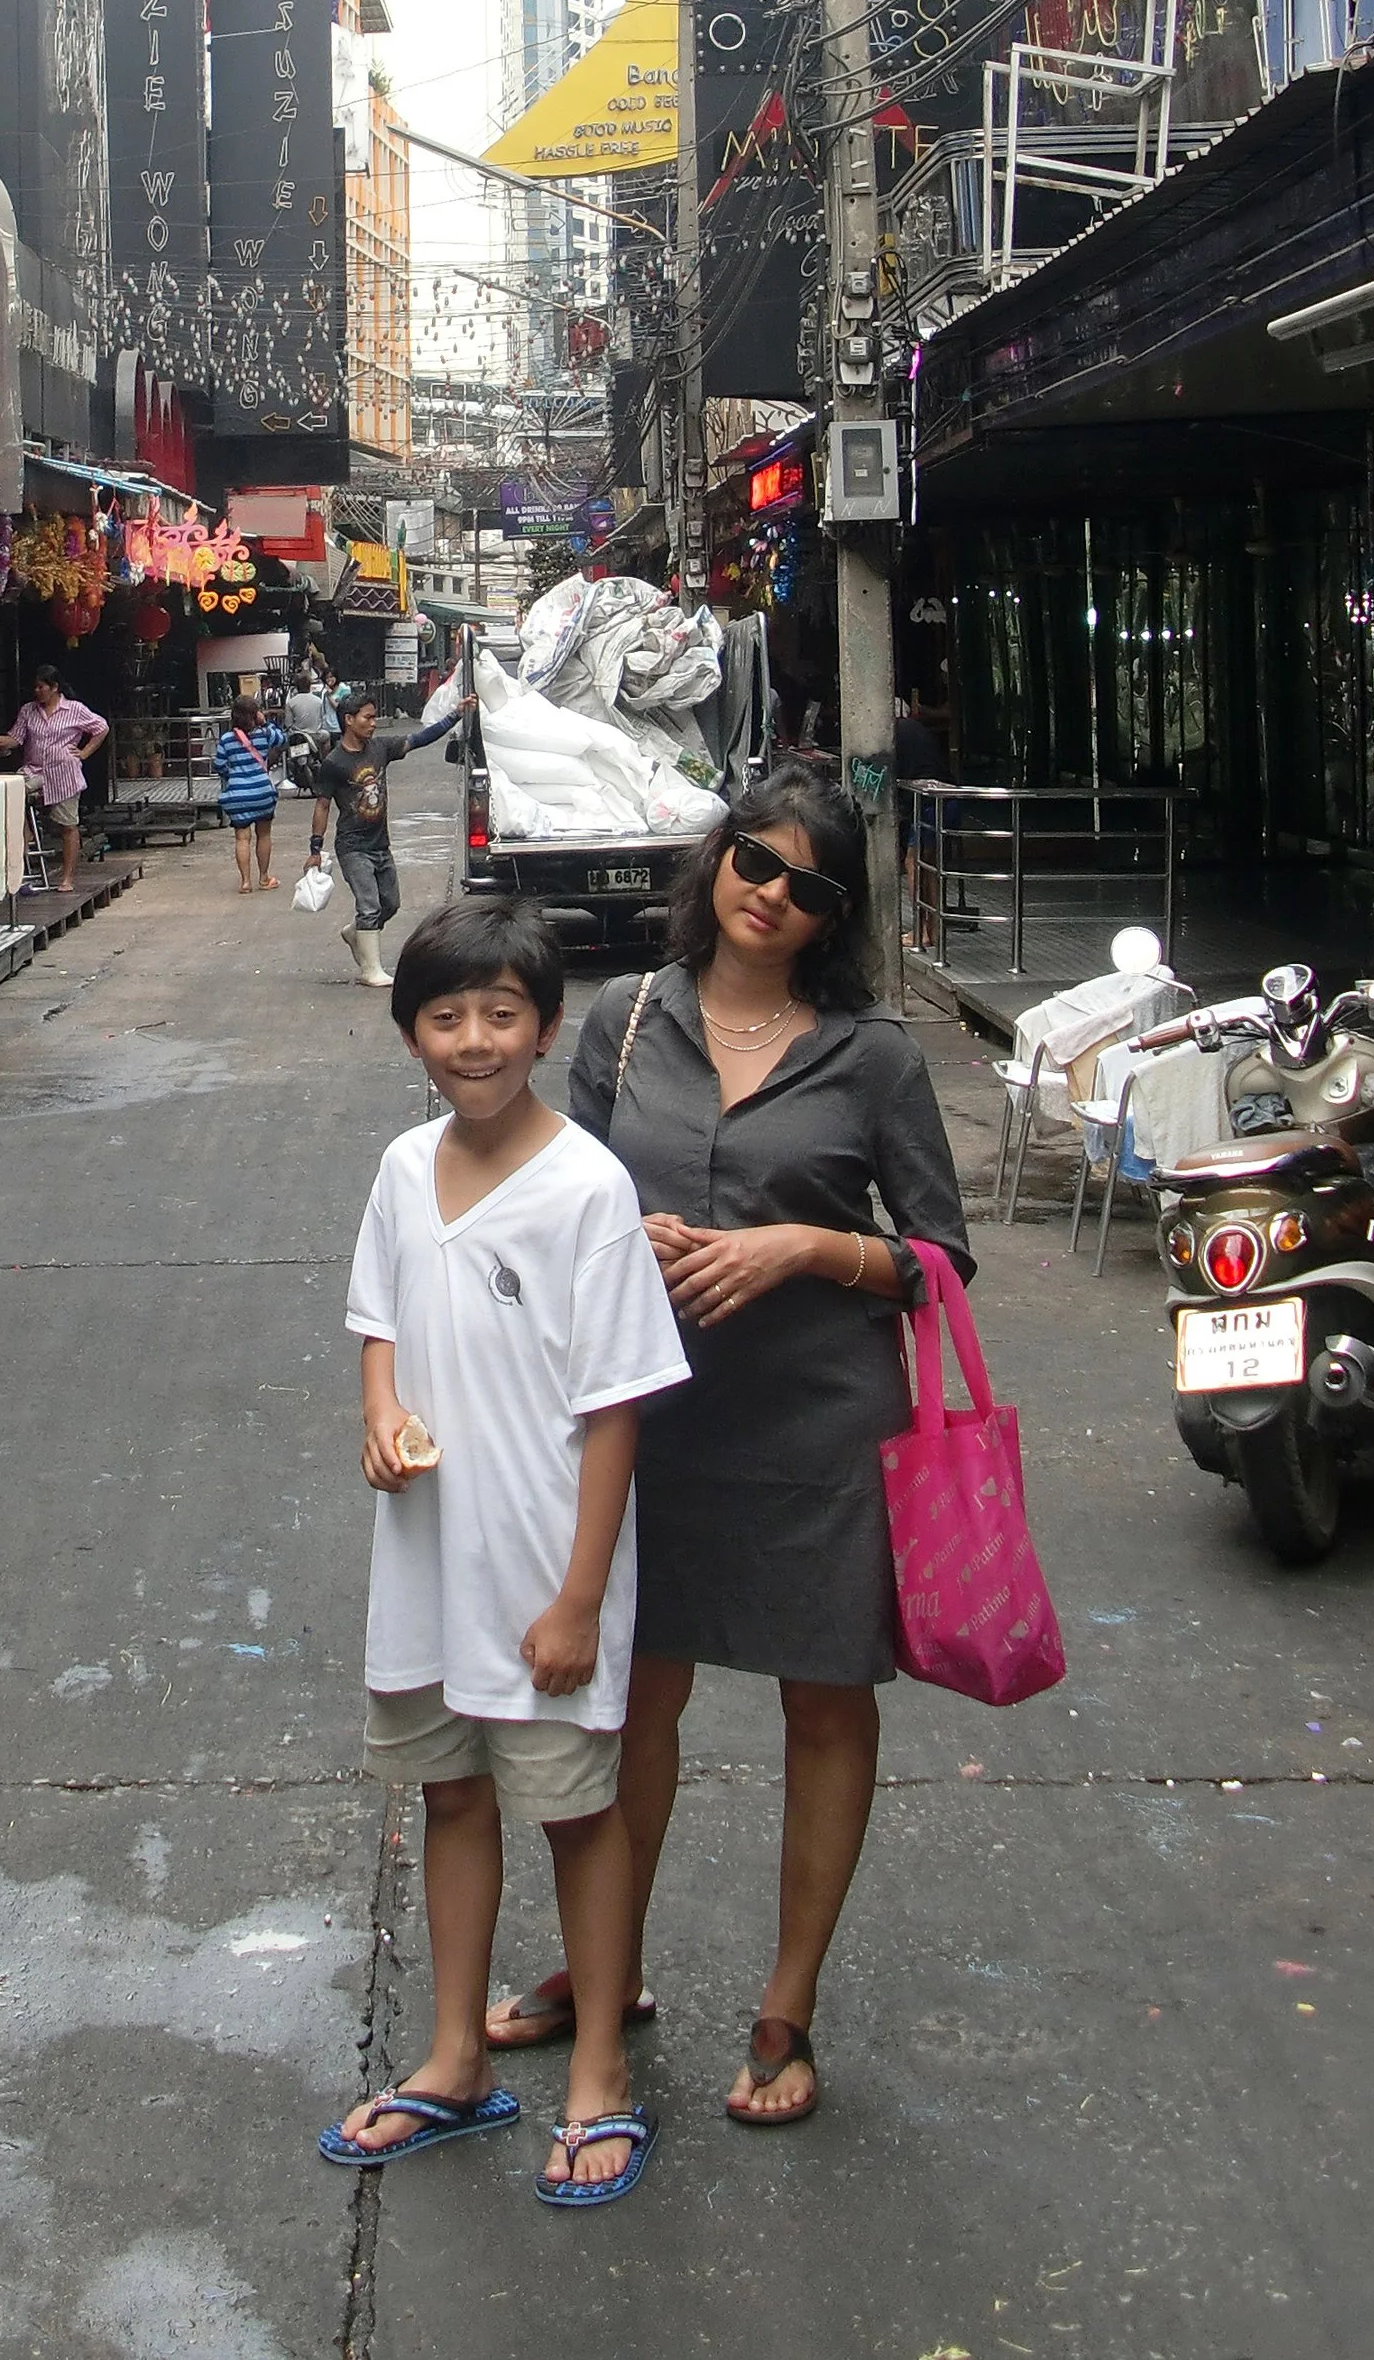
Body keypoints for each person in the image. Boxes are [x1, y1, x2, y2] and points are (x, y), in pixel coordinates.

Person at [490, 765, 971, 2127]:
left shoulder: (872, 1053)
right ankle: (606, 1970)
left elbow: (943, 1259)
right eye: (757, 861)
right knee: (634, 1700)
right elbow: (540, 1190)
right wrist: (610, 1234)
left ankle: (786, 2005)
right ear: (716, 859)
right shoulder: (630, 1021)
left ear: (837, 914)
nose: (773, 896)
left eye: (810, 885)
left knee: (825, 1700)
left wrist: (813, 1248)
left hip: (821, 1427)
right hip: (647, 1426)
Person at [317, 901, 688, 2207]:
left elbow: (618, 1404)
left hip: (543, 1573)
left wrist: (582, 1598)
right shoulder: (402, 1169)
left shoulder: (588, 1185)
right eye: (445, 1016)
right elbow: (379, 1320)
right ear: (411, 1031)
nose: (474, 1040)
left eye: (501, 1015)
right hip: (426, 1564)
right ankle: (457, 2054)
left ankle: (597, 2069)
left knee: (577, 1814)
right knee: (450, 1799)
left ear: (542, 1027)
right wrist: (380, 1416)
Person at [311, 689, 469, 989]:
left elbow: (419, 739)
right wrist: (315, 848)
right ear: (348, 720)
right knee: (369, 905)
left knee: (390, 903)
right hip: (352, 846)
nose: (373, 723)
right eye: (367, 717)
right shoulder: (334, 762)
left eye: (373, 717)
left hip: (380, 844)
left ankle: (355, 932)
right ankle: (370, 970)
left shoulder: (379, 748)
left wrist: (455, 715)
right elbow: (322, 805)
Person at [0, 665, 109, 893]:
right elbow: (15, 739)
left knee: (68, 825)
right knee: (10, 792)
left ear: (54, 688)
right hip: (34, 769)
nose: (37, 691)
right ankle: (25, 835)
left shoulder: (74, 709)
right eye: (35, 687)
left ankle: (67, 878)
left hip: (64, 772)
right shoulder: (28, 711)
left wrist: (84, 752)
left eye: (41, 687)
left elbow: (101, 727)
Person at [214, 695, 282, 894]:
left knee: (242, 839)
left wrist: (233, 777)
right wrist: (266, 722)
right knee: (264, 834)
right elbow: (282, 739)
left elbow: (218, 765)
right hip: (262, 792)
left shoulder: (227, 739)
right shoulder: (263, 734)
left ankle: (245, 882)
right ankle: (263, 878)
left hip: (238, 796)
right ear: (255, 715)